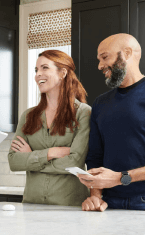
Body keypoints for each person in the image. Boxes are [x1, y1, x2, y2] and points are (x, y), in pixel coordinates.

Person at [77, 33, 145, 212]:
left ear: (127, 53)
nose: (100, 66)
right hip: (108, 202)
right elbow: (95, 157)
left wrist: (121, 178)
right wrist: (95, 196)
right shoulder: (100, 102)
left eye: (105, 57)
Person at [8, 50, 91, 206]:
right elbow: (14, 161)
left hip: (69, 206)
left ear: (63, 73)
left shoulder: (83, 112)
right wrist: (51, 153)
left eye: (45, 68)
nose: (38, 74)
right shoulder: (28, 116)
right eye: (36, 70)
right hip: (31, 205)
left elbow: (74, 163)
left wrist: (31, 157)